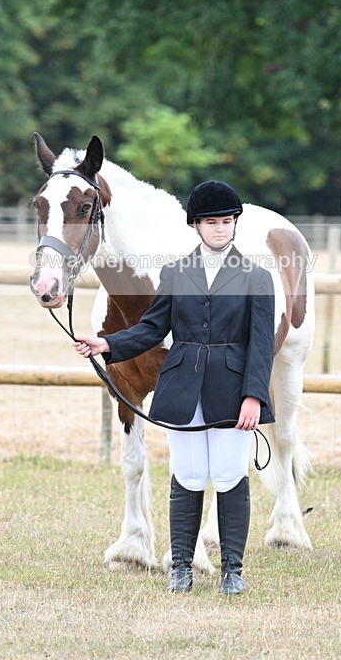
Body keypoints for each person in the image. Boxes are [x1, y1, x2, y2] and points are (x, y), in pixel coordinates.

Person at [73, 180, 275, 594]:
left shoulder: (257, 276)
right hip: (183, 384)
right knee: (187, 473)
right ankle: (180, 565)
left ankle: (231, 571)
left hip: (233, 386)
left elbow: (261, 345)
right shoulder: (175, 272)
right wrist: (107, 343)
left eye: (226, 221)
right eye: (211, 222)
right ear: (196, 226)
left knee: (230, 474)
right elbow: (151, 328)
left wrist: (254, 395)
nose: (220, 229)